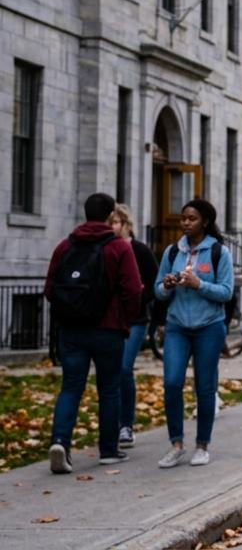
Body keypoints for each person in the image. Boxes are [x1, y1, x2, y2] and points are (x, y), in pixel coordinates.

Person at [44, 193, 143, 473]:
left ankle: (60, 441)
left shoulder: (65, 246)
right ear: (111, 216)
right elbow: (133, 290)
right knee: (109, 389)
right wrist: (126, 318)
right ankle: (109, 449)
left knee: (71, 386)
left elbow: (50, 288)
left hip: (72, 331)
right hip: (108, 330)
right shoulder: (119, 248)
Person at [153, 198, 235, 468]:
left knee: (205, 386)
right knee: (172, 382)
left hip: (209, 327)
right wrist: (167, 285)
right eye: (183, 218)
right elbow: (157, 290)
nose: (186, 223)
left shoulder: (218, 253)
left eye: (192, 219)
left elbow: (226, 291)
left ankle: (202, 445)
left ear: (205, 222)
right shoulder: (172, 252)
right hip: (177, 326)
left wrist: (199, 284)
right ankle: (176, 444)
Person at [108, 204, 158, 450]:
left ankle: (126, 424)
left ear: (127, 224)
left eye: (116, 222)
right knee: (111, 371)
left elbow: (155, 283)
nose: (112, 227)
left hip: (136, 319)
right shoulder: (105, 250)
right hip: (111, 320)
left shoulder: (140, 251)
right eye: (109, 223)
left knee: (124, 368)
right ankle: (111, 424)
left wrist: (137, 297)